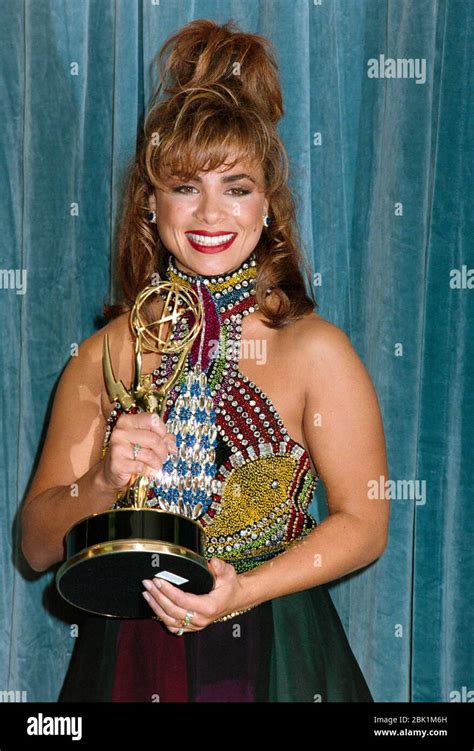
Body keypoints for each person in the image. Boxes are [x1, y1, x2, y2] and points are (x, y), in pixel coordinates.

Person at [21, 18, 390, 703]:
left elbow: (366, 525)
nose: (211, 213)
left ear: (269, 206)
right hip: (128, 656)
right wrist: (101, 481)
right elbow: (37, 545)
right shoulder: (105, 354)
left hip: (276, 652)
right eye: (186, 186)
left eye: (237, 187)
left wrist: (243, 590)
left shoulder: (317, 350)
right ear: (150, 204)